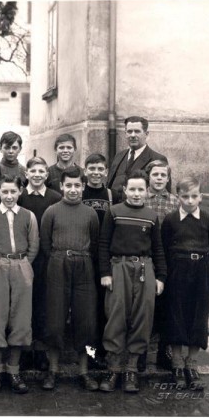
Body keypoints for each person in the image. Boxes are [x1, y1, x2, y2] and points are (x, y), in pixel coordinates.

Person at [98, 170, 166, 393]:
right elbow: (103, 244)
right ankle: (114, 368)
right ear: (125, 190)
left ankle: (131, 369)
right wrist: (105, 272)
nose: (136, 194)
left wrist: (161, 277)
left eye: (140, 189)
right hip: (119, 267)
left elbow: (158, 249)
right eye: (132, 189)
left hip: (145, 269)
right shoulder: (114, 212)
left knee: (142, 316)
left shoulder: (151, 215)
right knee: (116, 315)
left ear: (146, 191)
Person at [0, 175, 39, 395]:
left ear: (20, 191)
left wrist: (22, 265)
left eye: (13, 191)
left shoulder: (29, 216)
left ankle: (13, 370)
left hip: (21, 264)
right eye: (5, 192)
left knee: (20, 318)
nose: (9, 196)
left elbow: (34, 246)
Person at [40, 166, 100, 391]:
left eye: (77, 185)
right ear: (61, 186)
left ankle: (85, 370)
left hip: (84, 267)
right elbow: (45, 243)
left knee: (86, 321)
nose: (73, 189)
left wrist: (81, 260)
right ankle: (52, 370)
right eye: (68, 185)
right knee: (55, 320)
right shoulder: (52, 211)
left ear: (83, 187)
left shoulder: (91, 213)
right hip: (57, 264)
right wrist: (59, 259)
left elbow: (94, 243)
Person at [161, 176, 209, 391]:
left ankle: (191, 363)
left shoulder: (208, 219)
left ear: (201, 197)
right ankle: (177, 364)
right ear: (177, 197)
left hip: (201, 272)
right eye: (185, 196)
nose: (189, 200)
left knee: (198, 314)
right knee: (176, 313)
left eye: (194, 196)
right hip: (177, 271)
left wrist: (201, 266)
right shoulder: (170, 220)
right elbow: (164, 248)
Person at [16, 157, 62, 371]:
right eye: (33, 171)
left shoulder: (55, 198)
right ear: (27, 173)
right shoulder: (19, 197)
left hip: (47, 258)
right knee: (24, 303)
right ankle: (24, 349)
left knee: (43, 303)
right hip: (23, 257)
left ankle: (41, 350)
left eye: (41, 171)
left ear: (47, 174)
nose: (37, 174)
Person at [142, 159, 180, 371]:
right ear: (149, 176)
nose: (158, 179)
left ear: (168, 178)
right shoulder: (141, 197)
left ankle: (164, 352)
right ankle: (141, 351)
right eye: (155, 174)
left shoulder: (174, 202)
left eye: (163, 175)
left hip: (166, 259)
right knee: (144, 306)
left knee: (165, 306)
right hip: (144, 257)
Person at [81, 153, 112, 369]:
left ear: (106, 172)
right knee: (87, 310)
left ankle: (99, 353)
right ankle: (86, 352)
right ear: (85, 171)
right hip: (84, 256)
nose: (96, 172)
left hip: (104, 258)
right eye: (92, 168)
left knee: (103, 309)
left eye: (100, 168)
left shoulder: (111, 194)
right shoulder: (79, 192)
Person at [106, 116, 168, 204]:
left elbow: (164, 194)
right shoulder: (119, 156)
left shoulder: (157, 158)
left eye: (137, 131)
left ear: (146, 134)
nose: (133, 135)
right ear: (125, 133)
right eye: (129, 131)